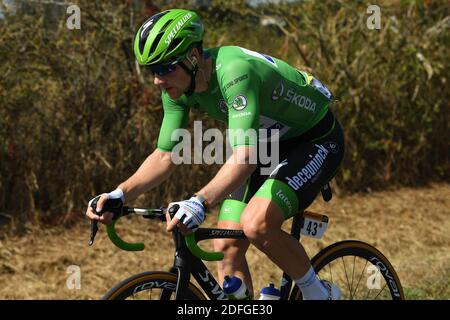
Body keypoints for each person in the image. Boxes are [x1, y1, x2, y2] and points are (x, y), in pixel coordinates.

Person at [85, 8, 345, 300]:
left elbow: (246, 156)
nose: (158, 80)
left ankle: (320, 294)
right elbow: (165, 155)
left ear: (193, 57)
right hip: (268, 144)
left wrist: (199, 201)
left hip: (314, 139)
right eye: (152, 71)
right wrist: (120, 194)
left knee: (256, 225)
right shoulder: (178, 88)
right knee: (225, 246)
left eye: (165, 68)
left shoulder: (235, 72)